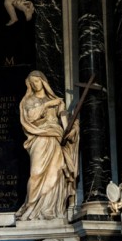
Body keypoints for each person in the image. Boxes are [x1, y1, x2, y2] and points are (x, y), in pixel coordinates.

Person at [16, 71, 79, 220]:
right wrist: (47, 105)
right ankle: (31, 205)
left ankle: (48, 208)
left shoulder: (56, 101)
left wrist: (72, 129)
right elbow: (30, 117)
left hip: (55, 139)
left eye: (36, 81)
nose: (34, 85)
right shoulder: (28, 100)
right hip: (39, 138)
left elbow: (65, 120)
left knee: (55, 172)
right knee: (36, 173)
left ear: (43, 82)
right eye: (31, 83)